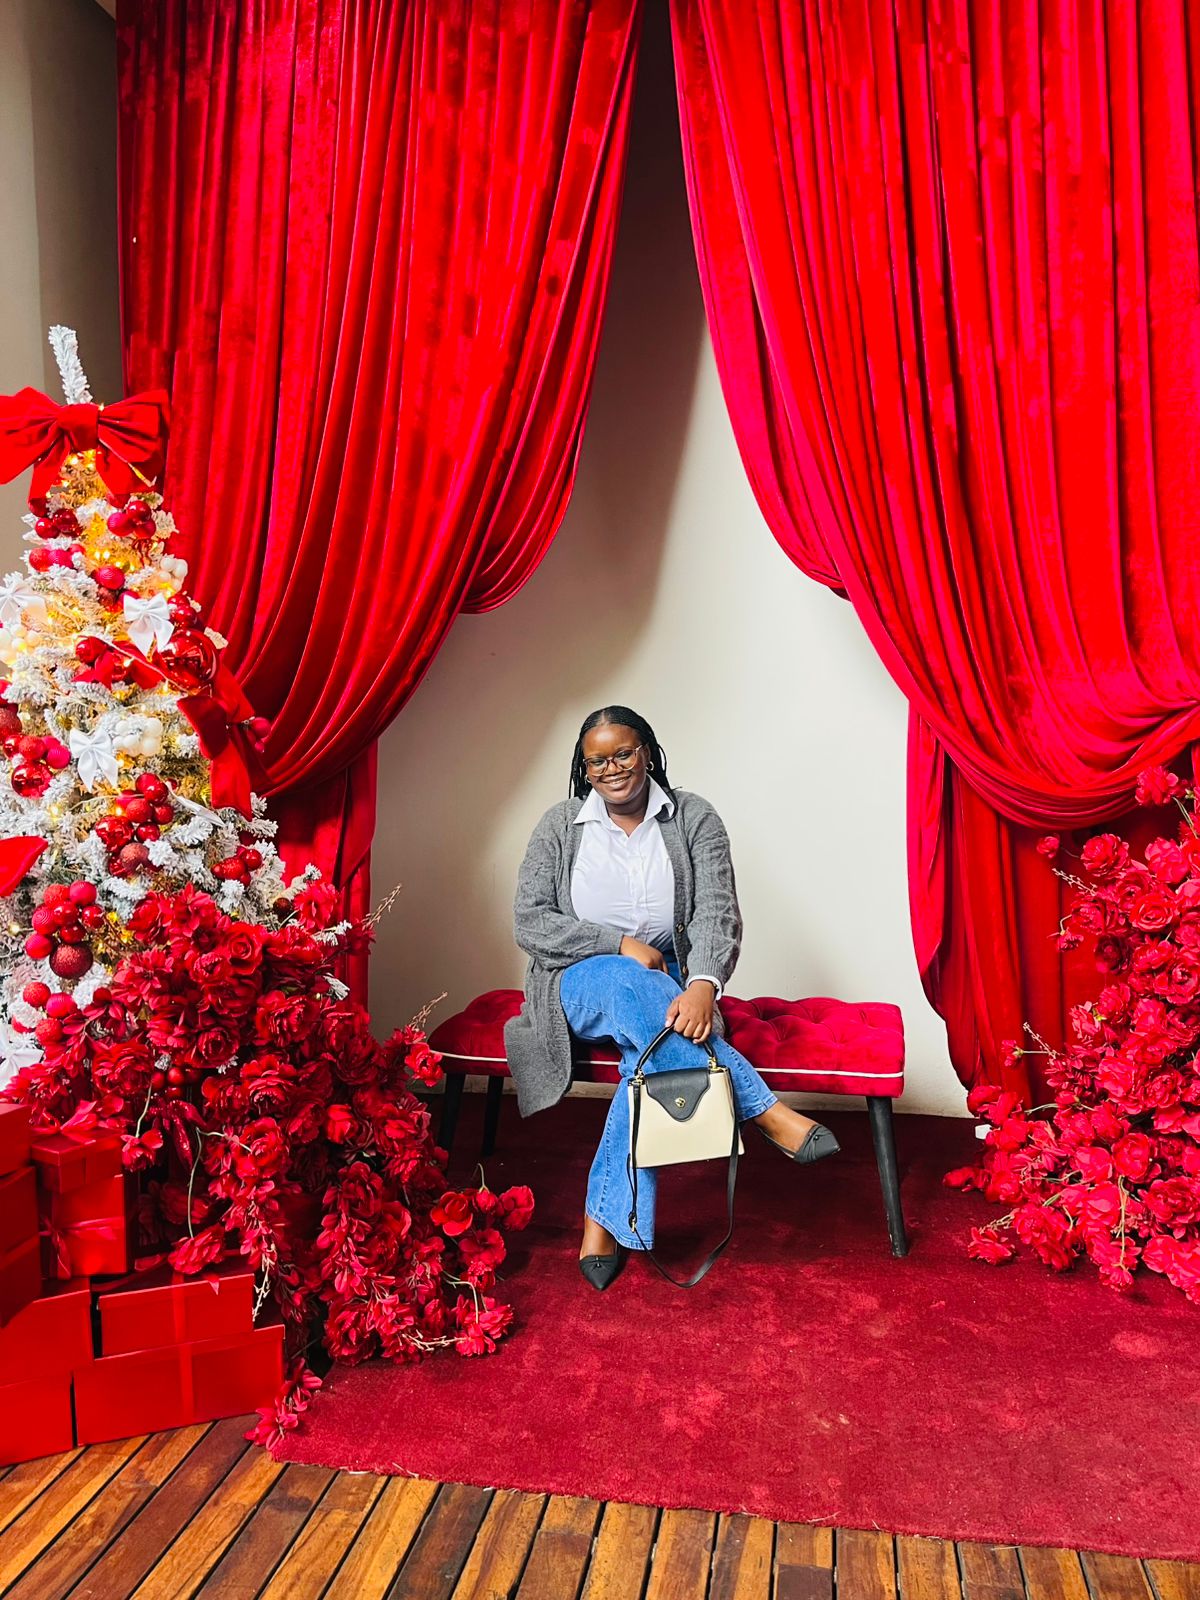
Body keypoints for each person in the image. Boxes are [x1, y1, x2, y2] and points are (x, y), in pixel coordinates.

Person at [504, 705, 839, 1290]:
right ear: (583, 769)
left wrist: (704, 983)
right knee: (625, 980)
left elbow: (717, 909)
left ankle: (603, 1219)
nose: (611, 769)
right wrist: (617, 944)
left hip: (673, 980)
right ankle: (763, 1111)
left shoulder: (693, 816)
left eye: (623, 753)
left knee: (647, 1046)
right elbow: (530, 922)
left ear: (649, 753)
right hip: (576, 981)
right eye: (596, 761)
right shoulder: (560, 825)